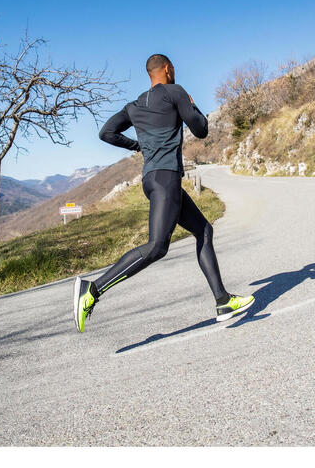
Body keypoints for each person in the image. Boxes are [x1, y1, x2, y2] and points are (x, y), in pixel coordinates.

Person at [73, 53, 254, 332]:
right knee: (157, 246)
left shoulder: (134, 105)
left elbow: (106, 133)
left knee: (204, 230)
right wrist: (192, 105)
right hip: (167, 178)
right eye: (174, 69)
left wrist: (137, 146)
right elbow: (201, 129)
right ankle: (93, 289)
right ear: (167, 69)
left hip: (152, 179)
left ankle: (222, 300)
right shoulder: (175, 92)